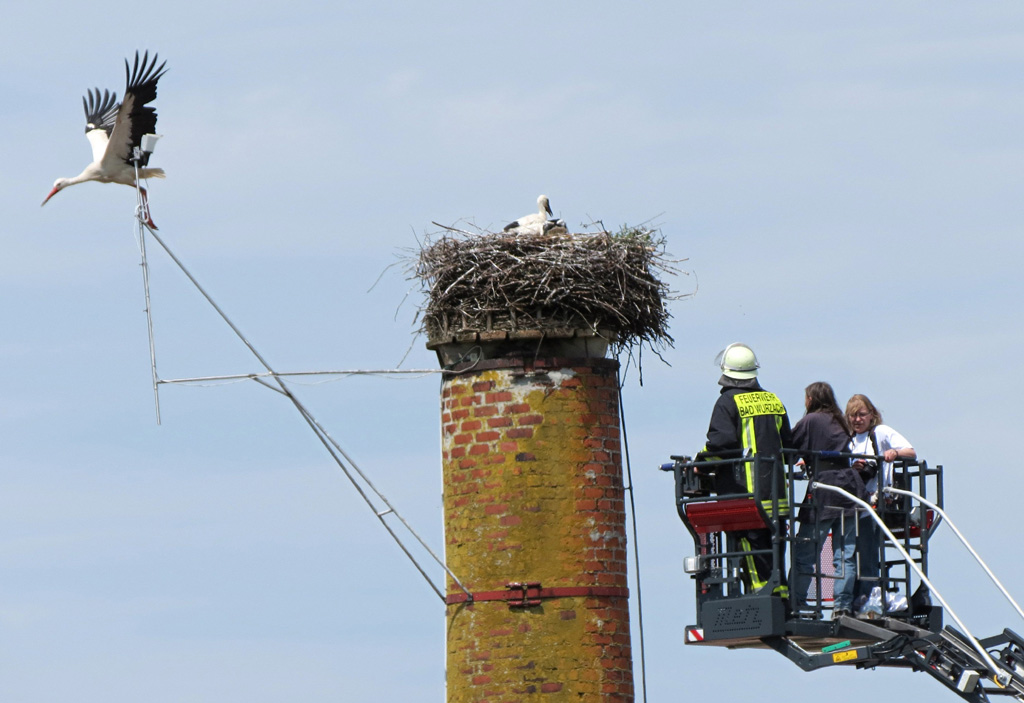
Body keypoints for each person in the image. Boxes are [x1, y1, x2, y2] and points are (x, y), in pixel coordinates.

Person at [702, 343, 792, 596]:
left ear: (726, 371)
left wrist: (701, 463)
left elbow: (722, 445)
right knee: (775, 550)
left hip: (744, 495)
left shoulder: (727, 402)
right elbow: (789, 446)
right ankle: (780, 597)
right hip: (776, 496)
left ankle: (761, 599)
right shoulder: (773, 400)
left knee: (749, 549)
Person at [789, 382, 858, 618]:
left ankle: (797, 603)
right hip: (849, 490)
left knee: (806, 552)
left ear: (812, 399)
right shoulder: (841, 420)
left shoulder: (810, 421)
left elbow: (788, 448)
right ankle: (843, 606)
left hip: (823, 490)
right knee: (844, 554)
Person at [845, 394, 916, 608]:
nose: (857, 420)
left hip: (872, 504)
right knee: (848, 555)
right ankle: (853, 599)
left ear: (872, 415)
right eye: (852, 415)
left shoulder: (880, 433)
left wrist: (893, 452)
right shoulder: (845, 438)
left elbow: (911, 452)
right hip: (850, 505)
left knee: (866, 553)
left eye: (861, 415)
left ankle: (866, 598)